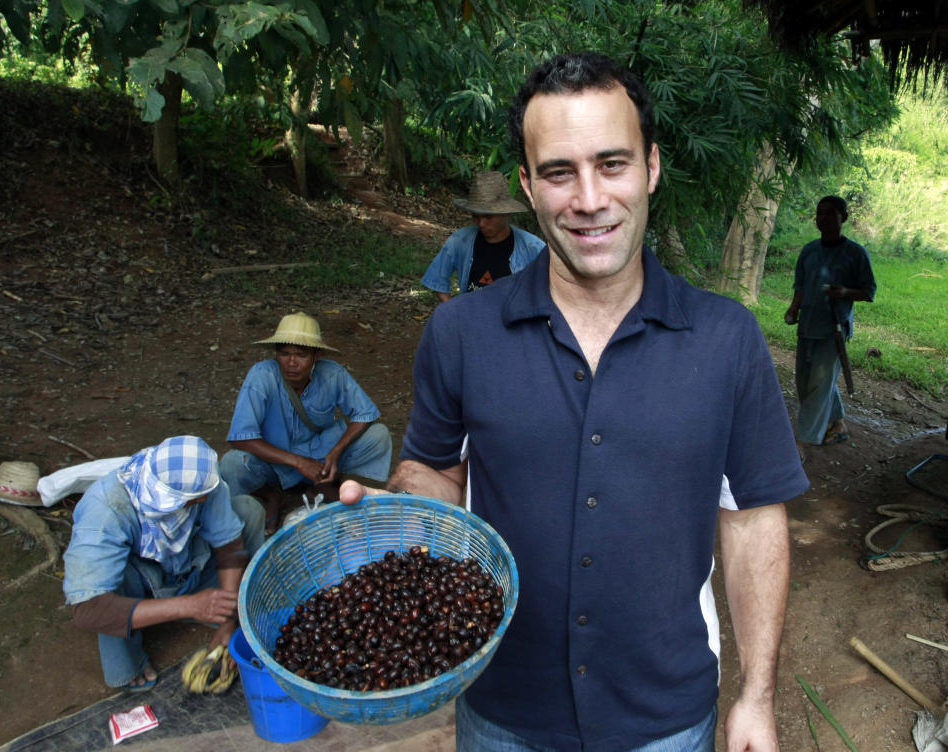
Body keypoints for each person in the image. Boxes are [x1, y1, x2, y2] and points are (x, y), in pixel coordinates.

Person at [340, 52, 809, 751]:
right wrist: (402, 511)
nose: (588, 198)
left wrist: (756, 696)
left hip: (666, 718)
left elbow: (751, 522)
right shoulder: (461, 333)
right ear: (529, 186)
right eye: (560, 172)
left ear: (651, 168)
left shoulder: (726, 339)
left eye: (612, 164)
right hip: (503, 711)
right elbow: (437, 471)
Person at [62, 435, 264, 691]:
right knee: (108, 584)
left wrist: (227, 619)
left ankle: (221, 608)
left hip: (189, 564)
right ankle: (129, 663)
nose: (203, 500)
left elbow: (229, 545)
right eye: (196, 498)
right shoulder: (106, 510)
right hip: (142, 585)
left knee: (248, 510)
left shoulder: (202, 480)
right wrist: (187, 606)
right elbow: (88, 610)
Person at [220, 312, 391, 531]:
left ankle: (329, 482)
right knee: (233, 463)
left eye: (301, 355)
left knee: (379, 435)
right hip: (275, 461)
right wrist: (299, 462)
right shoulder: (262, 375)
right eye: (284, 354)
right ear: (276, 354)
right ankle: (270, 494)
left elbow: (365, 415)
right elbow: (241, 439)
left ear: (316, 355)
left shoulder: (332, 374)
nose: (291, 363)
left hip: (321, 454)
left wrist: (336, 452)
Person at [784, 195, 876, 461]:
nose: (822, 218)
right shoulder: (809, 251)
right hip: (808, 325)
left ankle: (801, 443)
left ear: (843, 217)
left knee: (820, 384)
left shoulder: (856, 253)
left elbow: (869, 291)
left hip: (834, 329)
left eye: (829, 213)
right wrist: (793, 309)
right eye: (819, 213)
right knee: (806, 383)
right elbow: (800, 285)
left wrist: (846, 291)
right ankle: (838, 424)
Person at [421, 170, 545, 302]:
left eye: (488, 217)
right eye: (475, 216)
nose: (481, 223)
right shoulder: (460, 241)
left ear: (506, 214)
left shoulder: (532, 248)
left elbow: (548, 291)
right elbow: (437, 279)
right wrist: (457, 316)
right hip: (471, 318)